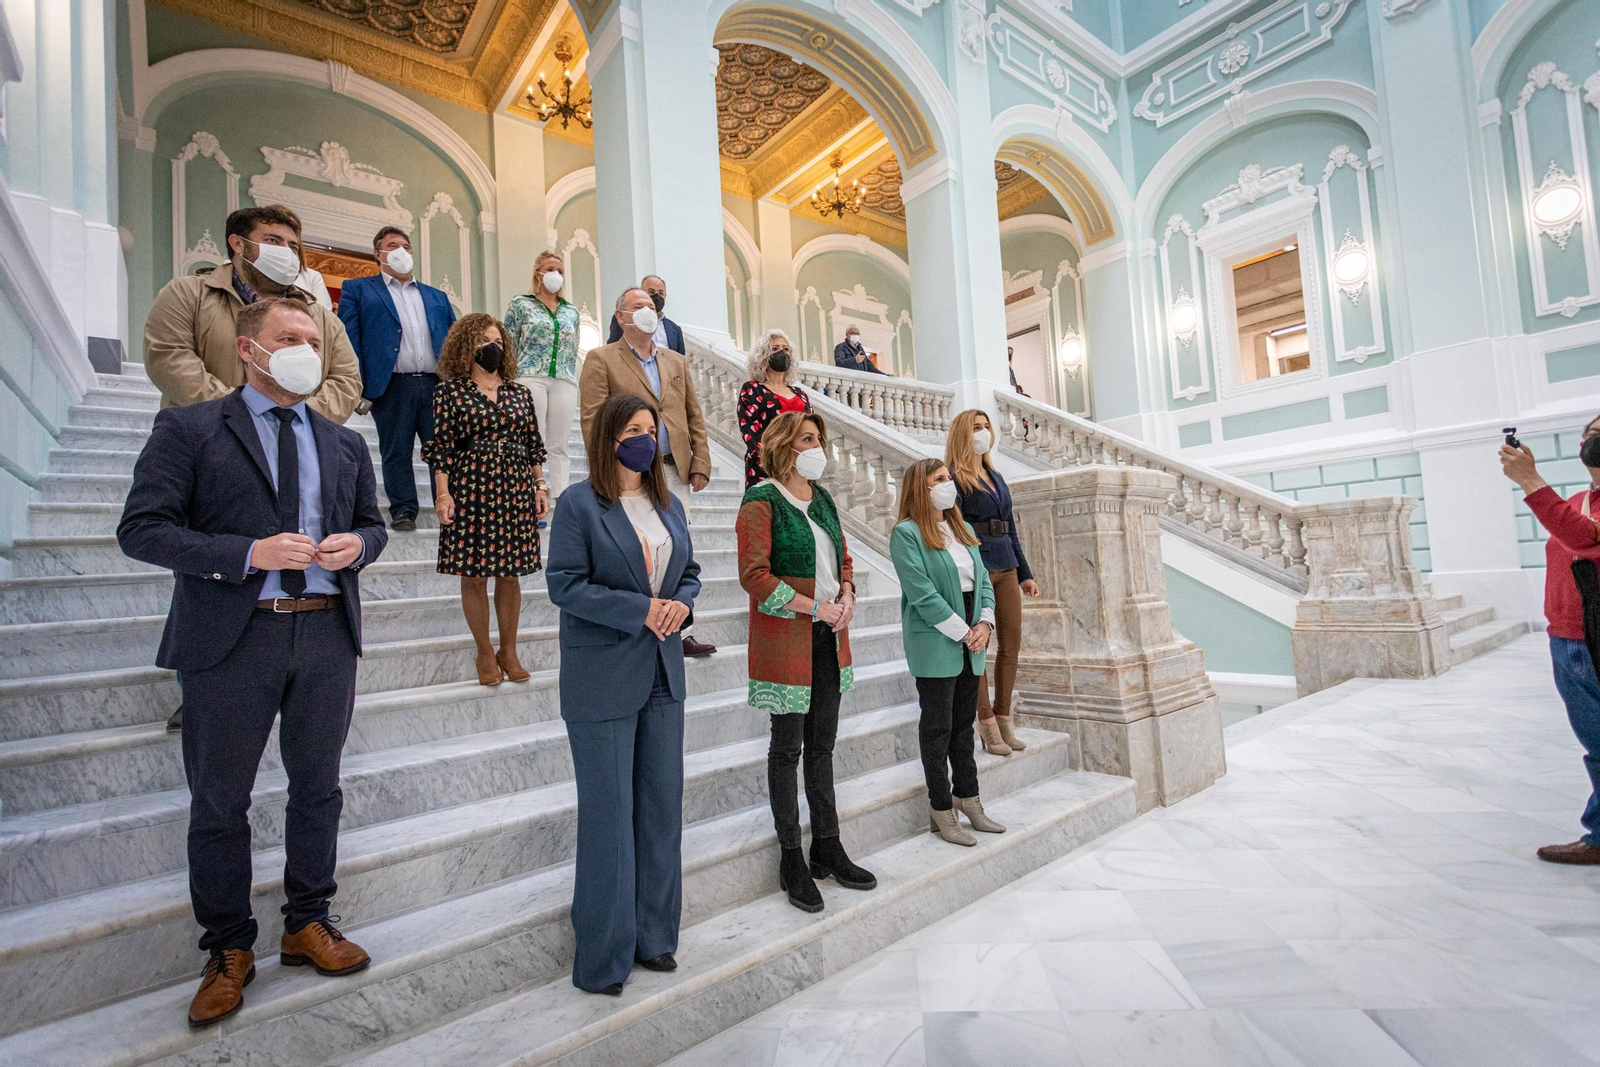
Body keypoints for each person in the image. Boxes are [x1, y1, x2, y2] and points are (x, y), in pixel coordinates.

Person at [116, 297, 386, 1027]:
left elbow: (373, 524)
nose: (305, 348)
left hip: (326, 634)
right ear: (249, 349)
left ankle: (307, 919)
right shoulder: (190, 427)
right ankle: (228, 948)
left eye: (313, 338)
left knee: (319, 788)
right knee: (219, 800)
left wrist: (357, 547)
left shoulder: (344, 442)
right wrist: (246, 555)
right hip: (233, 639)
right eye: (288, 337)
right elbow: (142, 529)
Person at [546, 393, 701, 995]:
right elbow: (564, 584)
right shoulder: (579, 505)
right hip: (602, 676)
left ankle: (656, 937)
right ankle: (605, 957)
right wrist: (642, 610)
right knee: (610, 818)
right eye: (633, 430)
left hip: (663, 671)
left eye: (651, 429)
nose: (646, 438)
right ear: (609, 438)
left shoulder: (670, 505)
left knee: (662, 809)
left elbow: (688, 573)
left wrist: (679, 606)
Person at [736, 411, 876, 912]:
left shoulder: (825, 499)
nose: (820, 447)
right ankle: (791, 856)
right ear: (784, 446)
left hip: (827, 639)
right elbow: (754, 575)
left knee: (823, 747)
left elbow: (843, 561)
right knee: (787, 749)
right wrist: (815, 603)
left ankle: (829, 846)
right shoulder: (762, 500)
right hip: (787, 639)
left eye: (821, 439)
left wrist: (850, 599)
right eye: (810, 439)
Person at [581, 287, 716, 658]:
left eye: (651, 306)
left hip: (673, 471)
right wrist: (604, 469)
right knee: (636, 549)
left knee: (678, 550)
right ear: (620, 316)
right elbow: (593, 419)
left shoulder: (676, 361)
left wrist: (700, 460)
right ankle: (642, 618)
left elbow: (693, 413)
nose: (647, 310)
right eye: (638, 306)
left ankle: (681, 627)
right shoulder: (601, 359)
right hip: (627, 474)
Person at [145, 204, 361, 424]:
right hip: (204, 435)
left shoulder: (321, 317)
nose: (286, 251)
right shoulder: (187, 294)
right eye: (273, 241)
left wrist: (296, 418)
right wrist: (242, 414)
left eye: (293, 246)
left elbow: (347, 379)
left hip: (293, 439)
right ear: (238, 243)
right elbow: (169, 357)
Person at [422, 314, 549, 686]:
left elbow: (533, 447)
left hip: (513, 484)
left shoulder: (519, 393)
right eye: (481, 340)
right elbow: (442, 448)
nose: (490, 346)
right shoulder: (450, 391)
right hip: (470, 484)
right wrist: (442, 494)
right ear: (466, 346)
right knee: (474, 573)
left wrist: (540, 487)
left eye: (496, 340)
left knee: (510, 573)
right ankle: (483, 650)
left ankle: (508, 650)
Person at [891, 458, 1004, 847]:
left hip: (972, 638)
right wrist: (964, 632)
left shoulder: (963, 528)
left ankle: (969, 799)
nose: (948, 484)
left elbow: (984, 582)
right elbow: (922, 593)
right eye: (940, 479)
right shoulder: (906, 534)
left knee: (962, 728)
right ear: (920, 488)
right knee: (937, 729)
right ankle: (941, 808)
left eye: (948, 478)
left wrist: (985, 624)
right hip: (938, 641)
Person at [1502, 416, 1600, 864]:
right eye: (1591, 434)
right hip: (1566, 636)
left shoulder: (1581, 510)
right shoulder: (1580, 500)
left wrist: (1530, 480)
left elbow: (1583, 539)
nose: (1594, 441)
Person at [337, 226, 458, 531]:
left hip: (436, 385)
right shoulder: (359, 289)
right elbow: (349, 338)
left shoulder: (436, 296)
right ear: (378, 254)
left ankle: (449, 505)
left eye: (406, 246)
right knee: (396, 450)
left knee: (443, 450)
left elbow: (455, 342)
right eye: (393, 245)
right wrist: (359, 383)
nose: (401, 250)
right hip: (392, 384)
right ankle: (403, 510)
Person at [946, 409, 1041, 756]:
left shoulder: (995, 475)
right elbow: (953, 531)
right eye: (976, 427)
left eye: (986, 427)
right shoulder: (954, 478)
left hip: (1007, 565)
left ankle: (1004, 717)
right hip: (977, 569)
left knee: (1011, 645)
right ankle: (985, 723)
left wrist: (1025, 573)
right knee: (979, 650)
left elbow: (1010, 527)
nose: (983, 432)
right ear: (962, 433)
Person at [506, 251, 581, 516]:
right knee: (531, 439)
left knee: (558, 444)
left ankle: (562, 501)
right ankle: (530, 495)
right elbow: (509, 344)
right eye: (550, 269)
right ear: (538, 272)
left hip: (564, 378)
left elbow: (573, 348)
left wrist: (571, 376)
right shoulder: (521, 304)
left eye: (560, 270)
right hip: (529, 376)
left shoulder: (571, 310)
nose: (556, 275)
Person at [738, 329, 811, 489]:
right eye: (775, 348)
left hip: (800, 468)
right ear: (763, 356)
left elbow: (811, 429)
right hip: (766, 468)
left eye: (785, 349)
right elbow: (750, 432)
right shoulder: (752, 389)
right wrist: (775, 460)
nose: (782, 353)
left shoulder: (801, 394)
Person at [605, 273, 686, 353]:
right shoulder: (626, 318)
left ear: (665, 296)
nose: (656, 296)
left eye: (661, 293)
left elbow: (680, 360)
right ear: (642, 292)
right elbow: (613, 349)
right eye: (651, 292)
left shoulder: (674, 329)